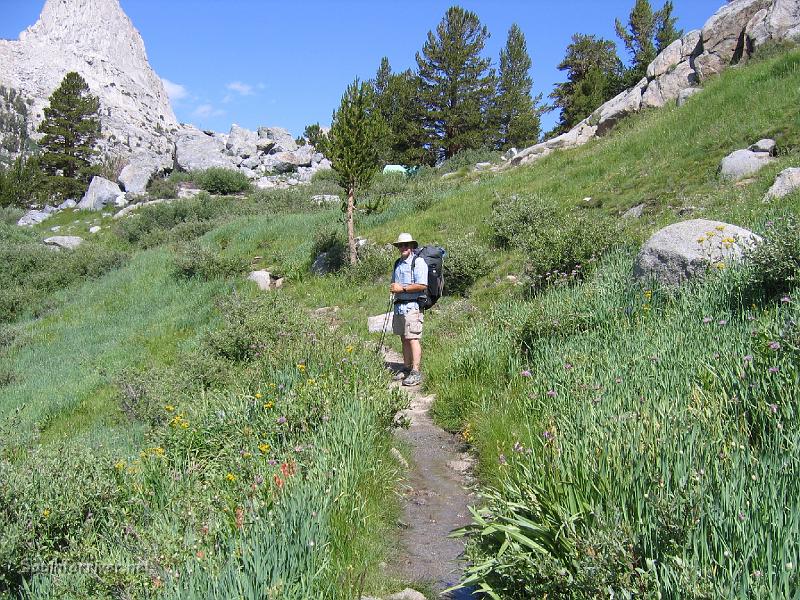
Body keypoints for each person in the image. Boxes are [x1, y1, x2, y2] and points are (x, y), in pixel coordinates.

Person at [389, 232, 428, 386]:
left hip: (412, 306)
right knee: (404, 338)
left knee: (413, 338)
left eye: (406, 245)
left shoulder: (418, 263)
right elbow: (394, 284)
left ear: (411, 246)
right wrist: (394, 289)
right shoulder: (397, 263)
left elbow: (422, 285)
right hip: (399, 307)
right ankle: (406, 367)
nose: (403, 247)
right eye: (400, 245)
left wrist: (402, 289)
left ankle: (416, 372)